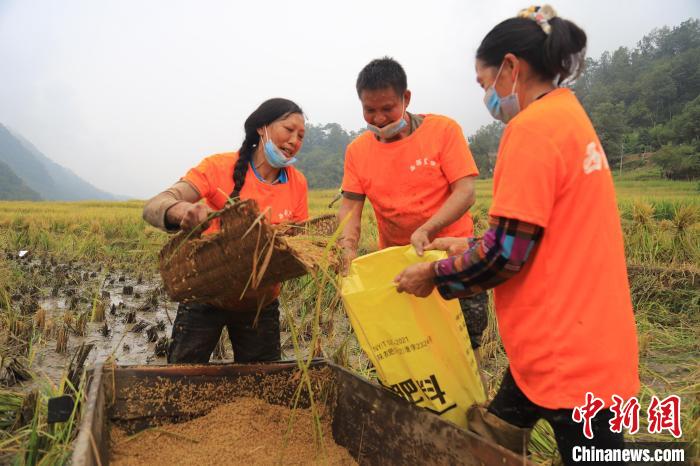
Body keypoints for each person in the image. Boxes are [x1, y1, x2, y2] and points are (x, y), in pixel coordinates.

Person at [393, 6, 639, 464]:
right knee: (495, 428)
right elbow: (544, 235)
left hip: (565, 350)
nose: (486, 93)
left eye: (484, 83)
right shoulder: (569, 117)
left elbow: (505, 256)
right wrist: (467, 244)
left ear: (511, 67)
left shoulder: (530, 130)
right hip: (588, 334)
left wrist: (433, 274)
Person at [337, 57, 489, 352]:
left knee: (463, 344)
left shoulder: (443, 131)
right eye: (370, 110)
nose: (379, 118)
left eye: (387, 108)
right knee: (410, 343)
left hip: (453, 255)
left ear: (406, 99)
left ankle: (470, 397)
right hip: (399, 262)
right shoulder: (357, 151)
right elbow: (351, 208)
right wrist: (347, 250)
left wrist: (426, 229)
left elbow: (465, 191)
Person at [143, 98, 308, 364]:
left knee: (261, 388)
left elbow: (299, 242)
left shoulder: (297, 183)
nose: (294, 140)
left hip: (260, 304)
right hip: (206, 294)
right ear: (262, 127)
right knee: (183, 380)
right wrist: (183, 211)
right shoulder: (218, 167)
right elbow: (154, 205)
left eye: (301, 136)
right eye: (288, 130)